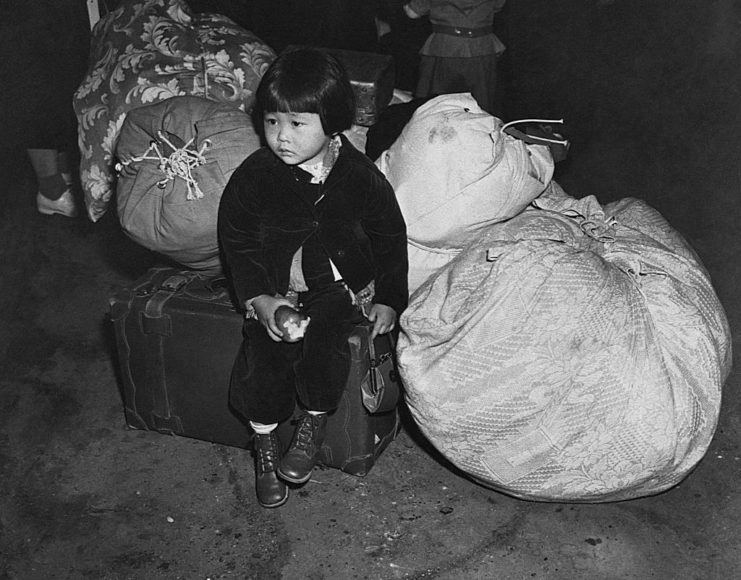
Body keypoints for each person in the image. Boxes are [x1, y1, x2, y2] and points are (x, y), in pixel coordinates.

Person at [218, 47, 408, 509]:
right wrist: (259, 298)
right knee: (264, 351)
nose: (281, 137)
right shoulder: (256, 175)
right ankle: (263, 441)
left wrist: (388, 297)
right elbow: (236, 238)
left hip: (336, 286)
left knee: (325, 343)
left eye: (297, 124)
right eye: (271, 122)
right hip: (276, 285)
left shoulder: (358, 175)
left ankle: (313, 423)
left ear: (334, 122)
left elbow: (389, 235)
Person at [403, 0, 507, 115]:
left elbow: (412, 13)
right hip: (481, 48)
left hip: (445, 48)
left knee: (436, 106)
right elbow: (498, 6)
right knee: (480, 107)